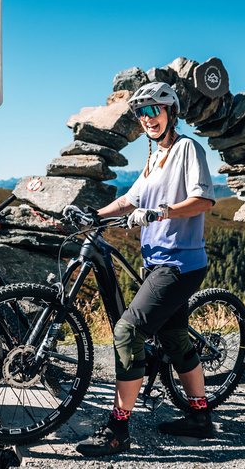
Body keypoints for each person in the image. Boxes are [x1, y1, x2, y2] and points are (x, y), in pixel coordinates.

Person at [74, 82, 216, 457]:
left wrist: (162, 211)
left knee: (127, 331)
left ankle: (119, 429)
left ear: (171, 112)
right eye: (141, 113)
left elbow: (203, 199)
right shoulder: (154, 158)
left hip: (180, 263)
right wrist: (95, 215)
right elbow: (129, 199)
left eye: (155, 110)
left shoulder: (187, 149)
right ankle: (200, 419)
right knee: (174, 338)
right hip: (156, 262)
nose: (148, 119)